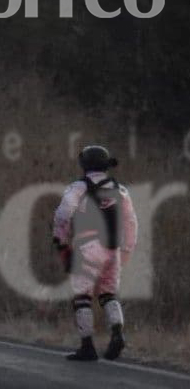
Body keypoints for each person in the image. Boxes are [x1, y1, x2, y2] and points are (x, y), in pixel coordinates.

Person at [52, 145, 138, 362]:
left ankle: (87, 346)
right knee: (108, 294)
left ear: (85, 165)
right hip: (113, 249)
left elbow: (63, 215)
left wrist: (62, 244)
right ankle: (117, 333)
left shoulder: (79, 187)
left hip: (87, 246)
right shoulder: (121, 190)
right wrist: (126, 251)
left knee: (82, 296)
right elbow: (131, 223)